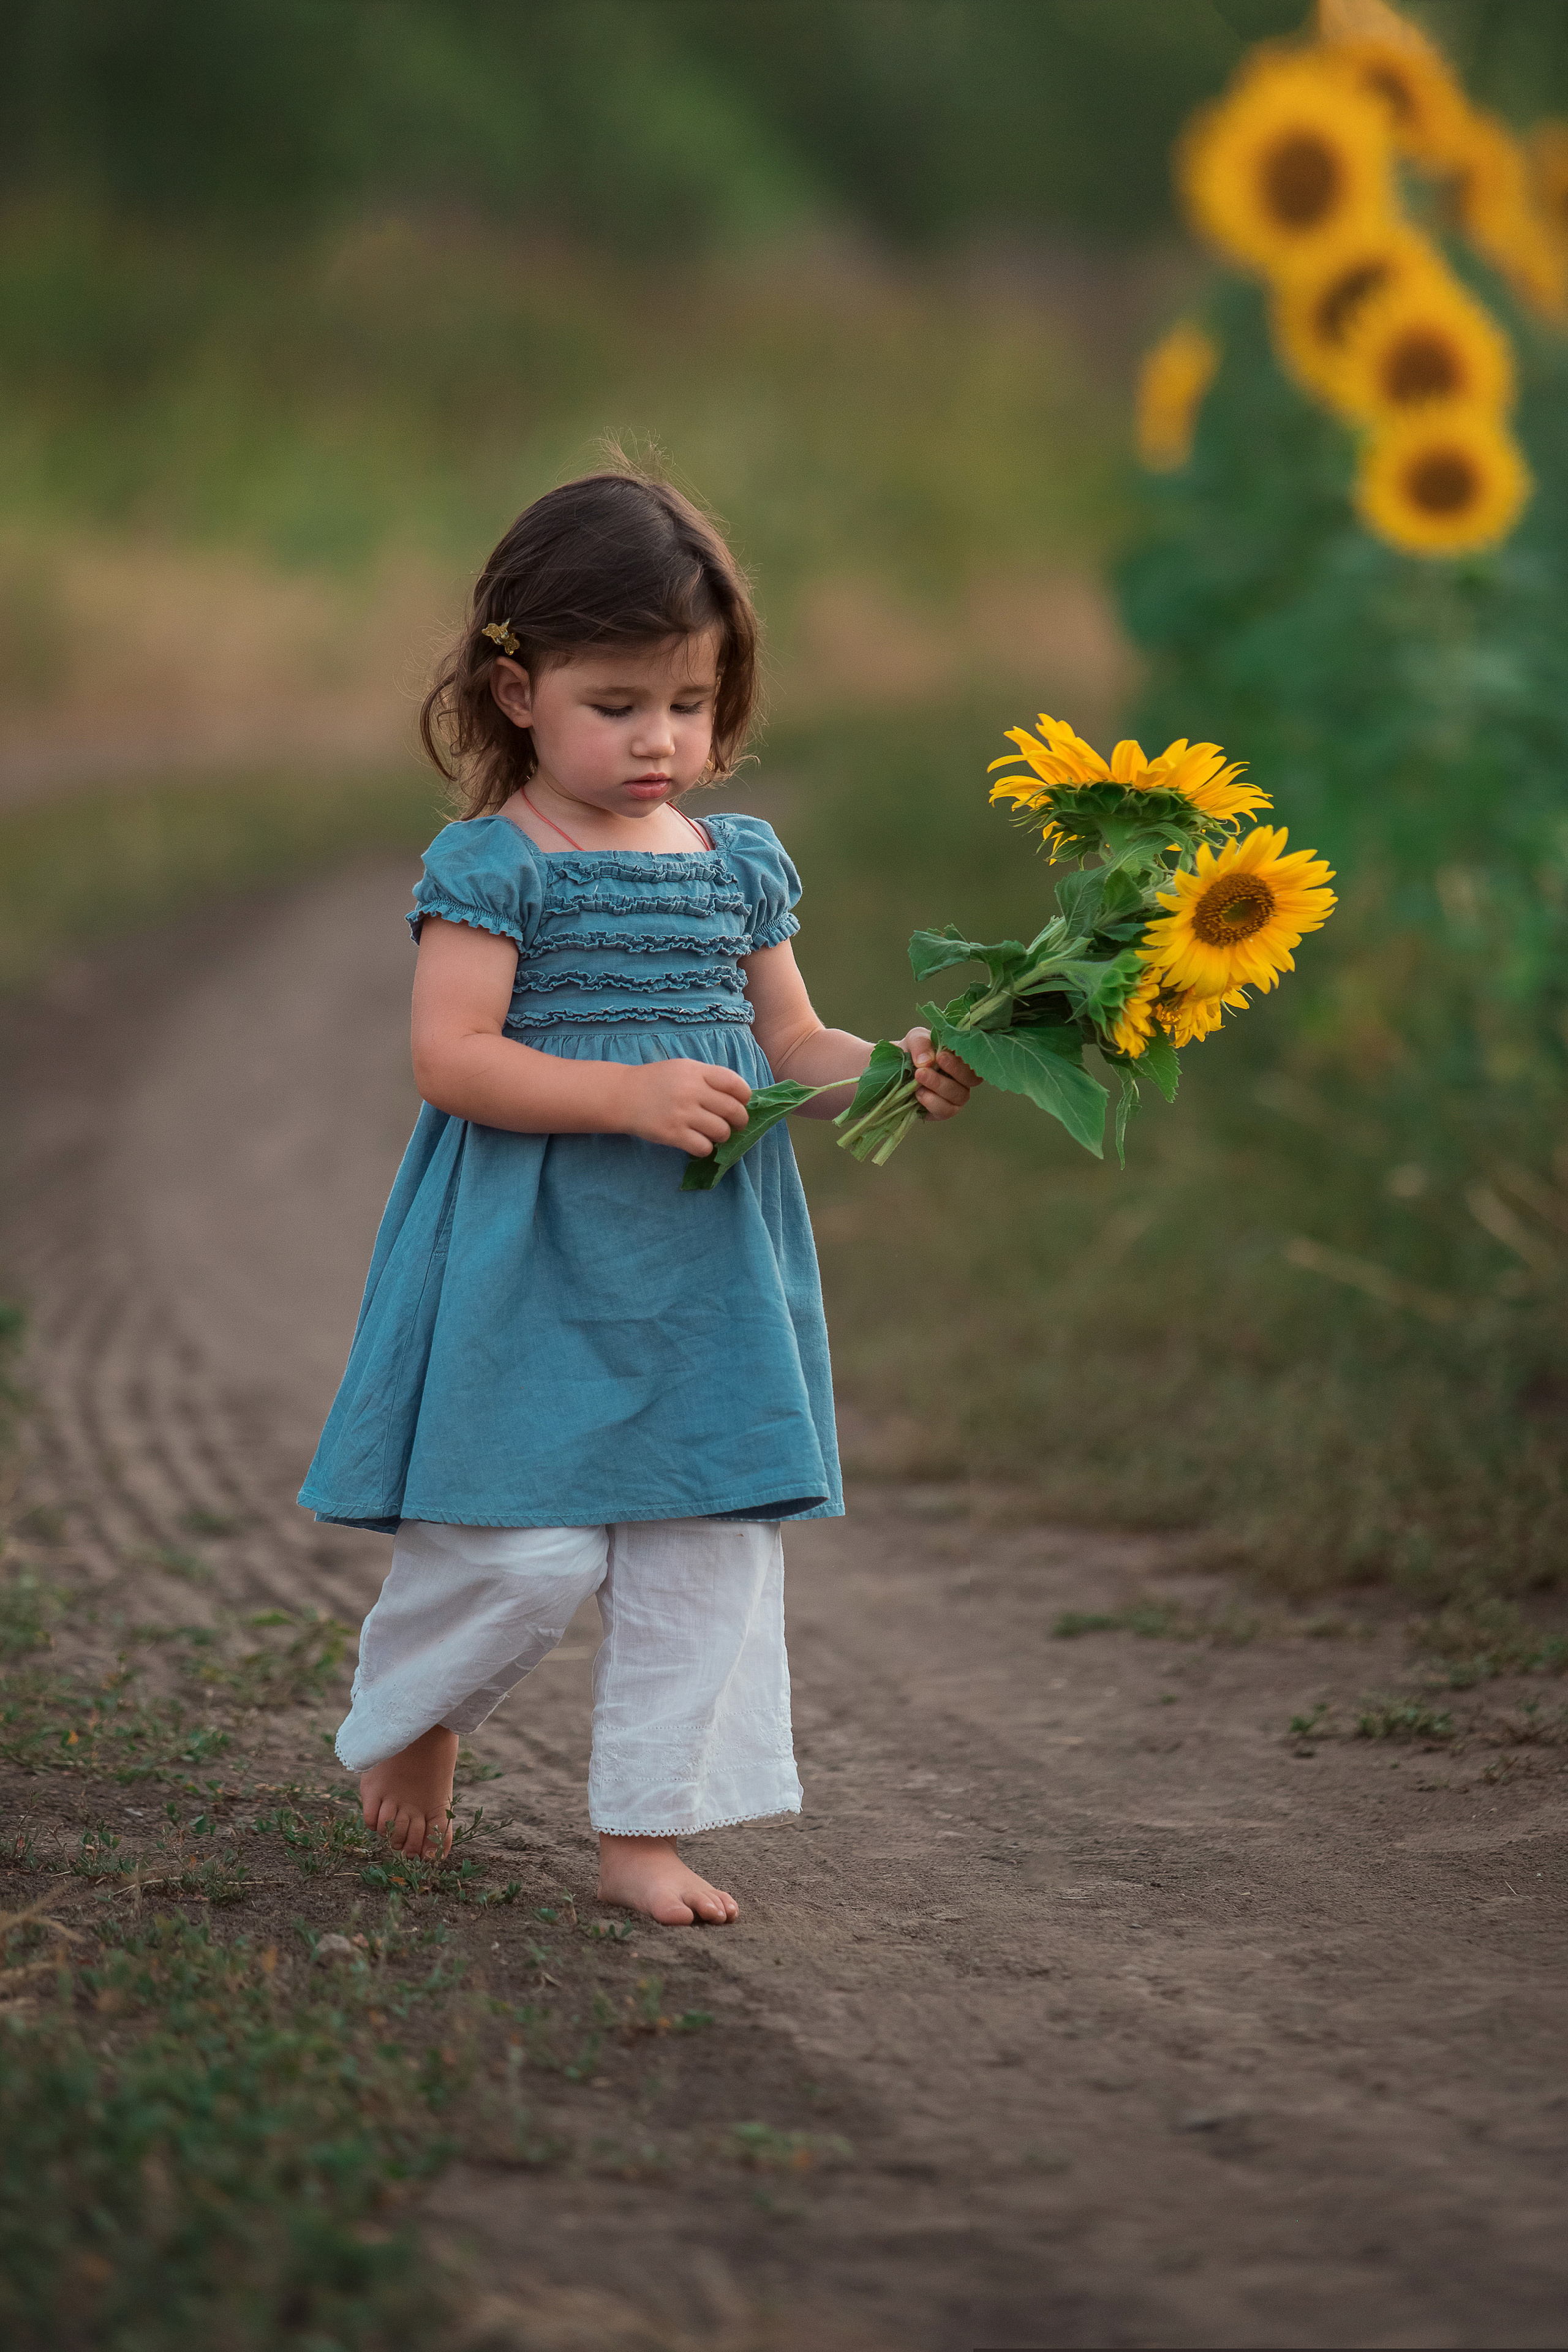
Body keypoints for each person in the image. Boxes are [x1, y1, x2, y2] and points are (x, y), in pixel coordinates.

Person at [299, 466, 979, 1925]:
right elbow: (450, 1057)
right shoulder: (496, 864)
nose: (659, 738)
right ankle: (417, 1715)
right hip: (530, 1257)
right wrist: (622, 1095)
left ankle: (647, 1829)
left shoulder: (735, 863)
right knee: (517, 1546)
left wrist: (891, 1072)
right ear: (516, 691)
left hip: (703, 1272)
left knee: (705, 1539)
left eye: (688, 701)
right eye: (614, 704)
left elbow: (791, 1041)